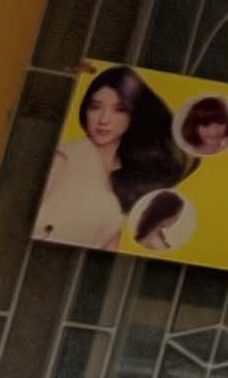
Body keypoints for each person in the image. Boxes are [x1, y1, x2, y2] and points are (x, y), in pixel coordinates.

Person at [34, 65, 181, 250]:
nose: (103, 119)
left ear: (134, 115)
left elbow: (109, 246)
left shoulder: (128, 176)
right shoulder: (64, 159)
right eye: (95, 107)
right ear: (85, 110)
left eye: (119, 109)